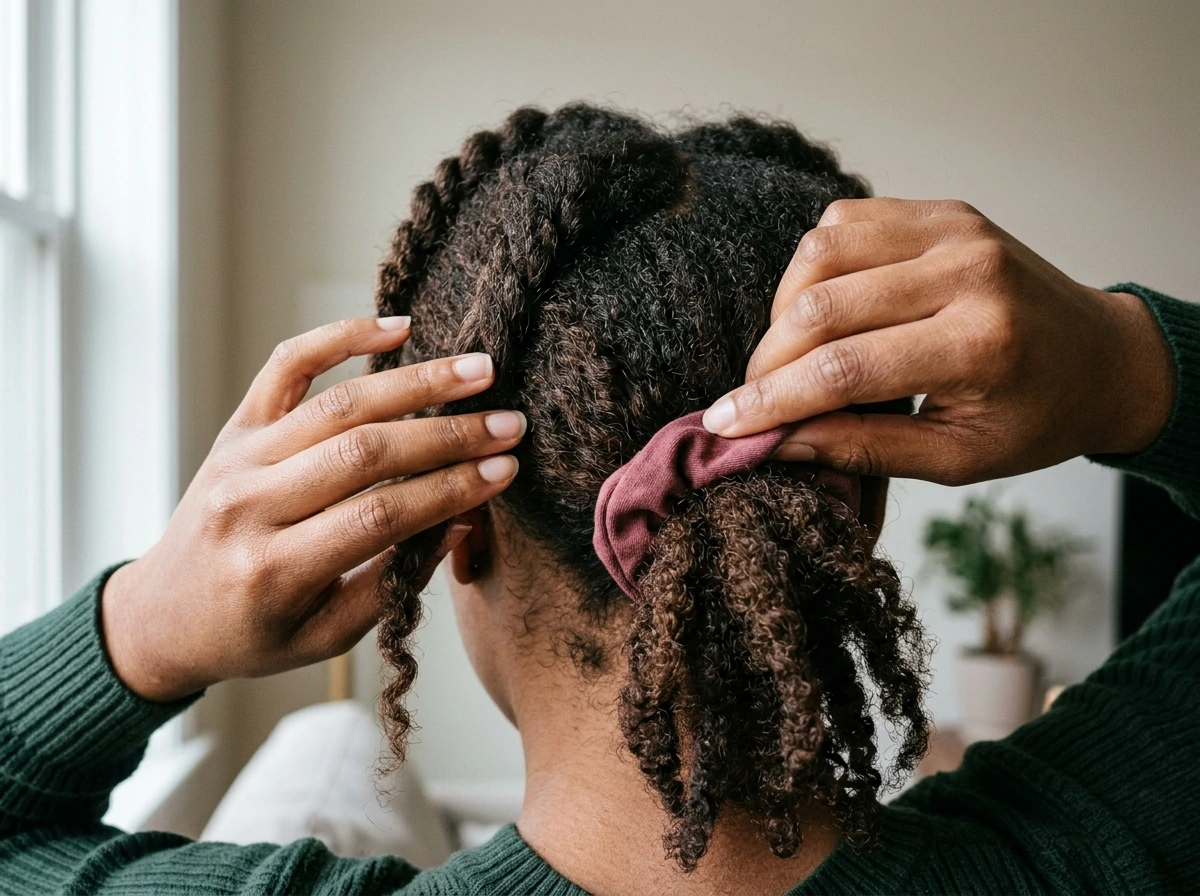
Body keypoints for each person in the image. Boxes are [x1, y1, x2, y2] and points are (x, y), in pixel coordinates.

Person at [0, 104, 1194, 895]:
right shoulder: (1076, 854)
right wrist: (1133, 364)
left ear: (447, 526)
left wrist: (140, 629)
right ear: (855, 505)